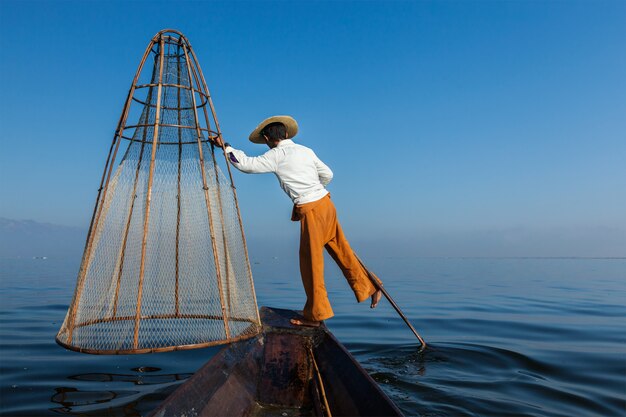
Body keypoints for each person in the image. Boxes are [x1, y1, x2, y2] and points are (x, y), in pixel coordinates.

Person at [213, 115, 381, 327]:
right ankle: (370, 286)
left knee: (311, 262)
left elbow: (245, 164)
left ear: (266, 138)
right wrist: (313, 186)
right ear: (285, 134)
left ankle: (315, 315)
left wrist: (226, 148)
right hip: (326, 204)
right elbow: (328, 174)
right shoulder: (305, 150)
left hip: (311, 209)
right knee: (342, 250)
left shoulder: (275, 155)